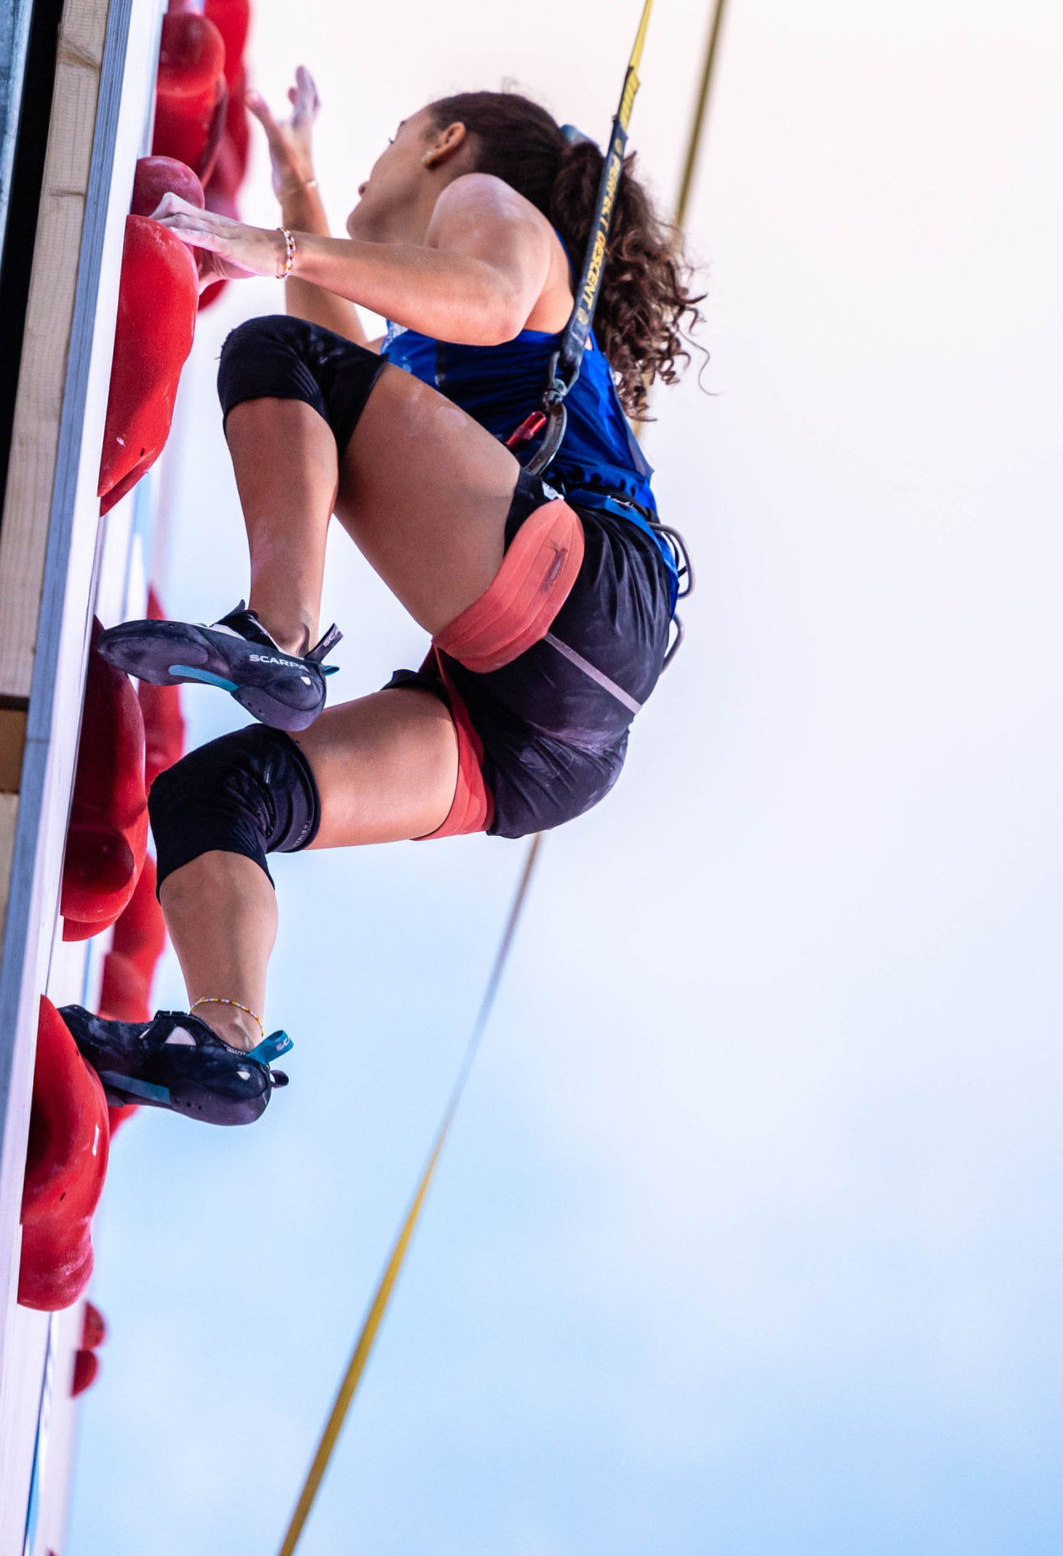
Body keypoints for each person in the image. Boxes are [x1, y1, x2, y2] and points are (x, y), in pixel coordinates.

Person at [62, 75, 699, 1126]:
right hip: (556, 743)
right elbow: (343, 374)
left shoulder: (490, 205)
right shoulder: (422, 355)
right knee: (218, 797)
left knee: (270, 356)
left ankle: (280, 634)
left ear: (447, 142)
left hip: (584, 592)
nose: (379, 160)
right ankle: (224, 1043)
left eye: (398, 134)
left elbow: (484, 300)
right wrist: (297, 186)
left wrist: (278, 246)